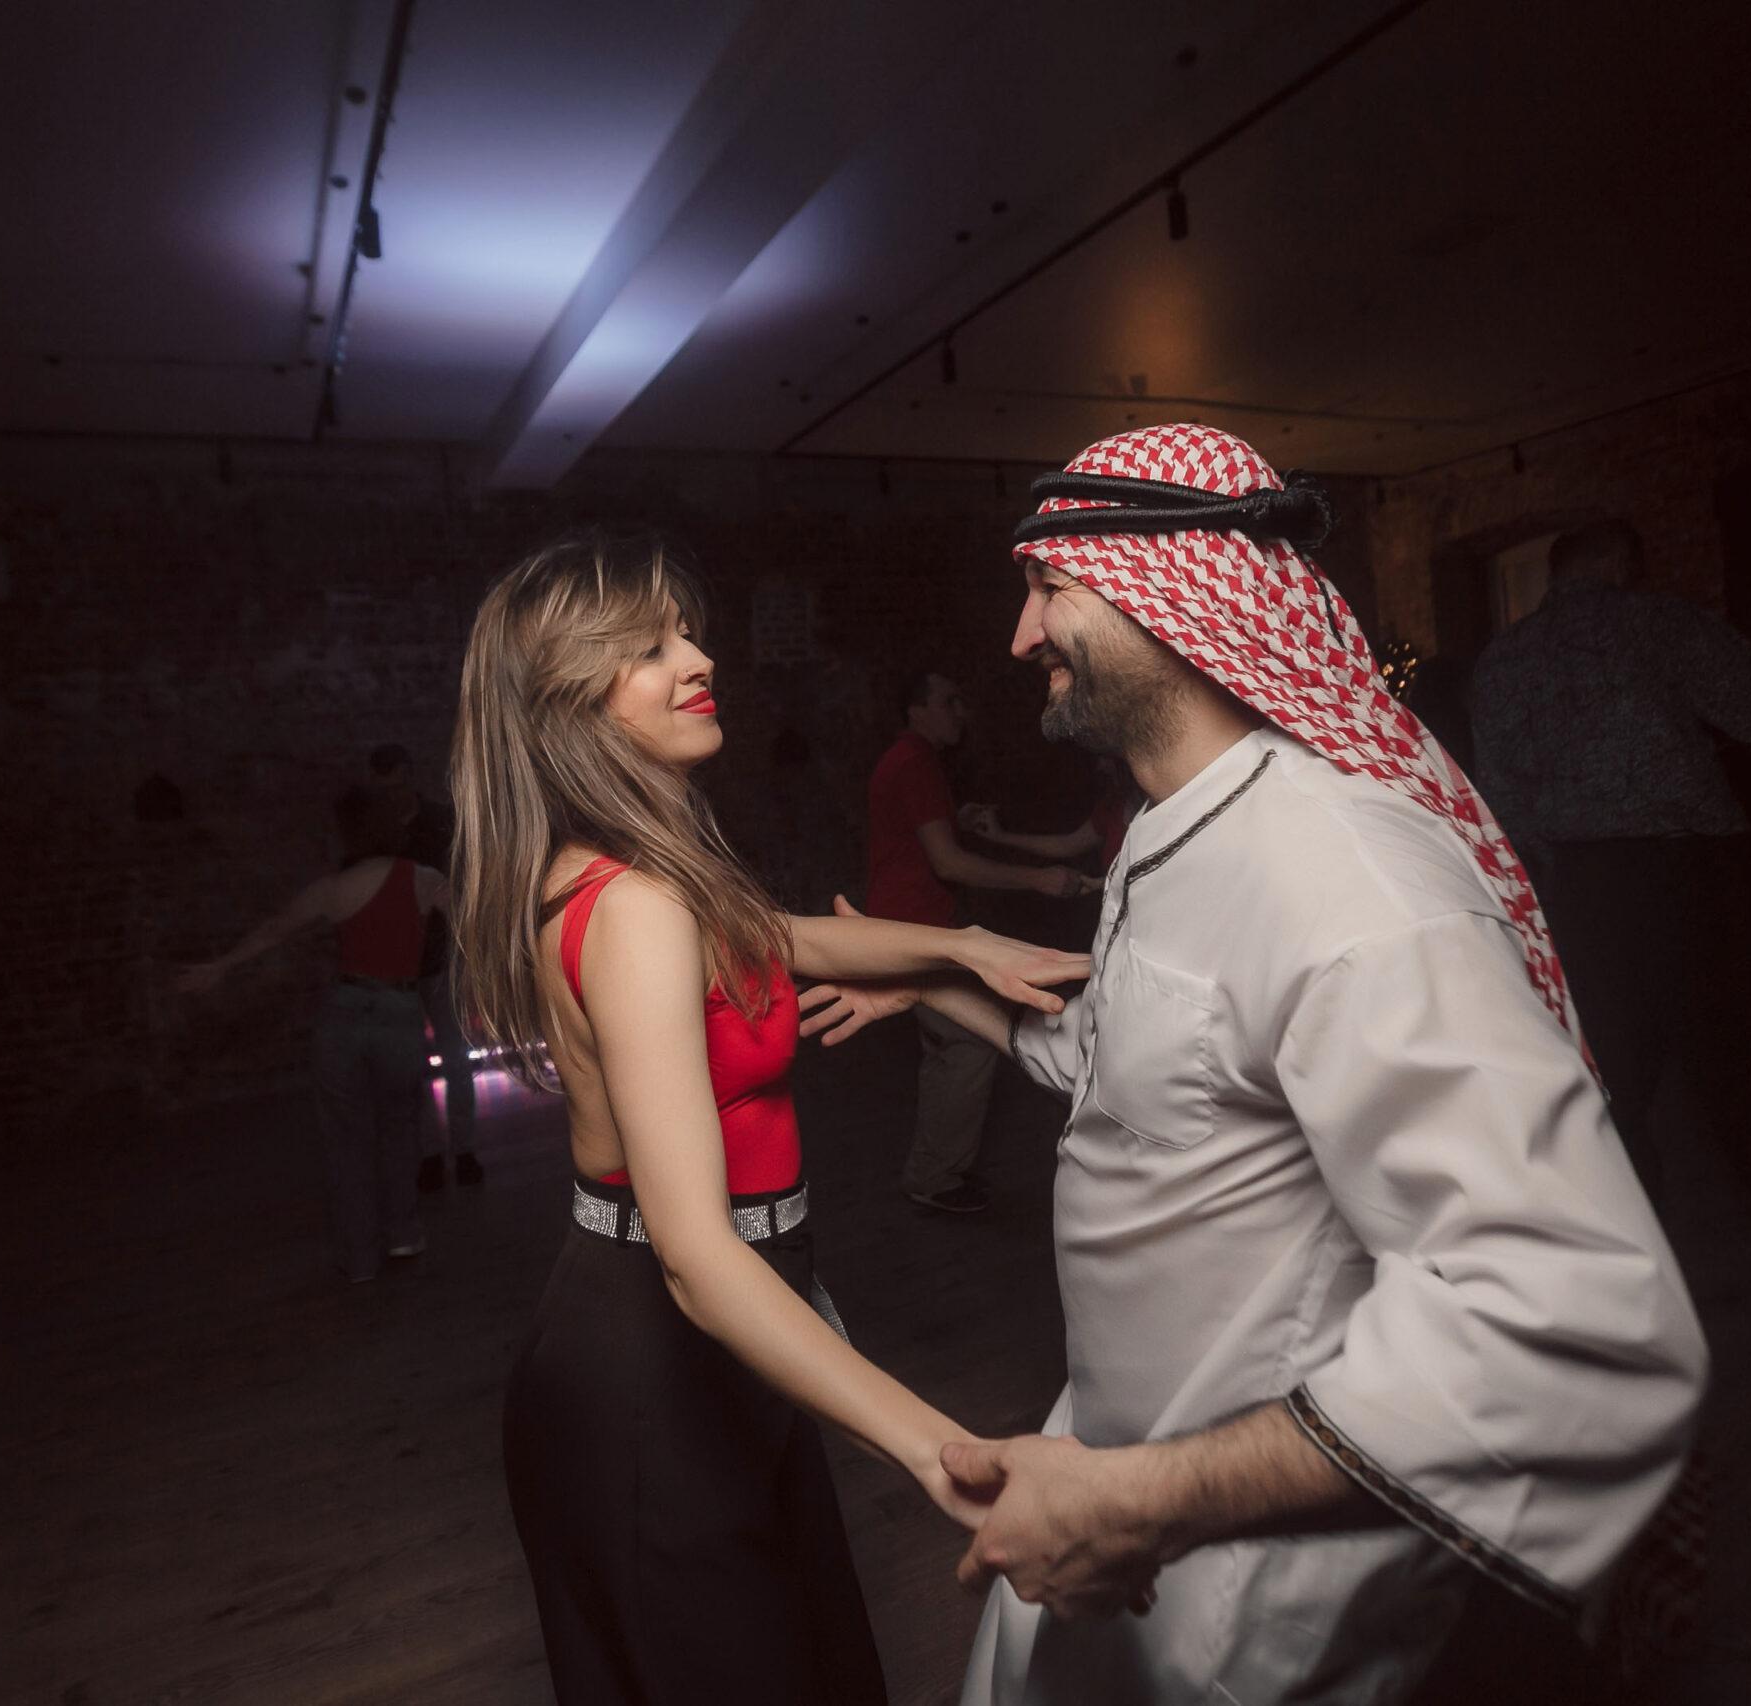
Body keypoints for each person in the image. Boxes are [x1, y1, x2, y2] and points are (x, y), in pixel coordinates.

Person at [797, 427, 1708, 1705]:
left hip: (1256, 1579)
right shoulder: (1173, 824)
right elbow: (1130, 1068)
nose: (1019, 636)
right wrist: (934, 978)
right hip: (1115, 1466)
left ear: (1171, 592)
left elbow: (1570, 1325)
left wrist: (1141, 1500)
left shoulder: (1347, 880)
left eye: (1048, 587)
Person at [452, 529, 1089, 1704]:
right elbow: (695, 1256)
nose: (698, 658)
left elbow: (785, 935)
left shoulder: (657, 868)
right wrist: (948, 1456)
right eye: (651, 647)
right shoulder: (632, 905)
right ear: (569, 700)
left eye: (686, 633)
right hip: (652, 1357)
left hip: (738, 1329)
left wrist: (957, 945)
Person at [1471, 521, 1751, 1337]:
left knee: (1601, 1108)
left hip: (1580, 895)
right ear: (1621, 562)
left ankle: (1609, 1315)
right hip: (1691, 880)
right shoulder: (1659, 623)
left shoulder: (1503, 658)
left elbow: (1501, 796)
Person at [174, 784, 444, 1282]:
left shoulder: (332, 890)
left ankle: (361, 1258)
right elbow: (474, 917)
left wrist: (220, 966)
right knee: (400, 1129)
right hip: (397, 1010)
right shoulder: (423, 880)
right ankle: (403, 1234)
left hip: (345, 1012)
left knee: (347, 1141)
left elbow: (274, 930)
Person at [869, 671, 1090, 1215]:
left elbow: (923, 839)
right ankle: (934, 1177)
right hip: (917, 932)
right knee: (969, 1040)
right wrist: (1037, 879)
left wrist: (955, 819)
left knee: (949, 1048)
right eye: (948, 702)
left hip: (911, 927)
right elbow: (947, 862)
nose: (960, 712)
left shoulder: (912, 761)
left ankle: (932, 1171)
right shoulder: (915, 763)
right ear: (917, 710)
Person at [366, 742, 485, 1192]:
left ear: (410, 777)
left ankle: (464, 1149)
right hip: (396, 964)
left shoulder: (438, 821)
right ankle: (431, 1154)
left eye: (396, 785)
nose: (392, 795)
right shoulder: (373, 830)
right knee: (411, 1066)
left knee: (455, 1059)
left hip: (438, 956)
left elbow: (460, 881)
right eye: (384, 788)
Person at [961, 754, 1138, 877]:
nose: (1101, 766)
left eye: (1105, 757)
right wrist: (1001, 836)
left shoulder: (1150, 806)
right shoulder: (1112, 805)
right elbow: (1067, 845)